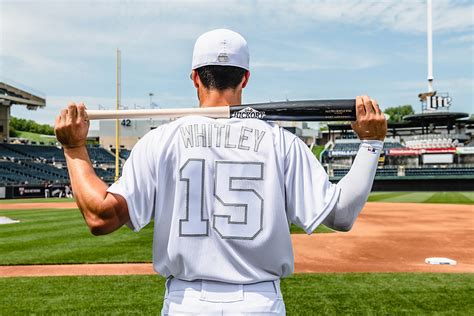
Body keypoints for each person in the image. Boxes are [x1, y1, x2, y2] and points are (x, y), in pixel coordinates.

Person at [54, 29, 387, 315]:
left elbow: (101, 218)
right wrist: (371, 143)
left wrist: (74, 149)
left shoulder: (159, 141)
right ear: (245, 78)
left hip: (186, 303)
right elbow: (341, 215)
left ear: (195, 77)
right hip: (261, 301)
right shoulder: (282, 143)